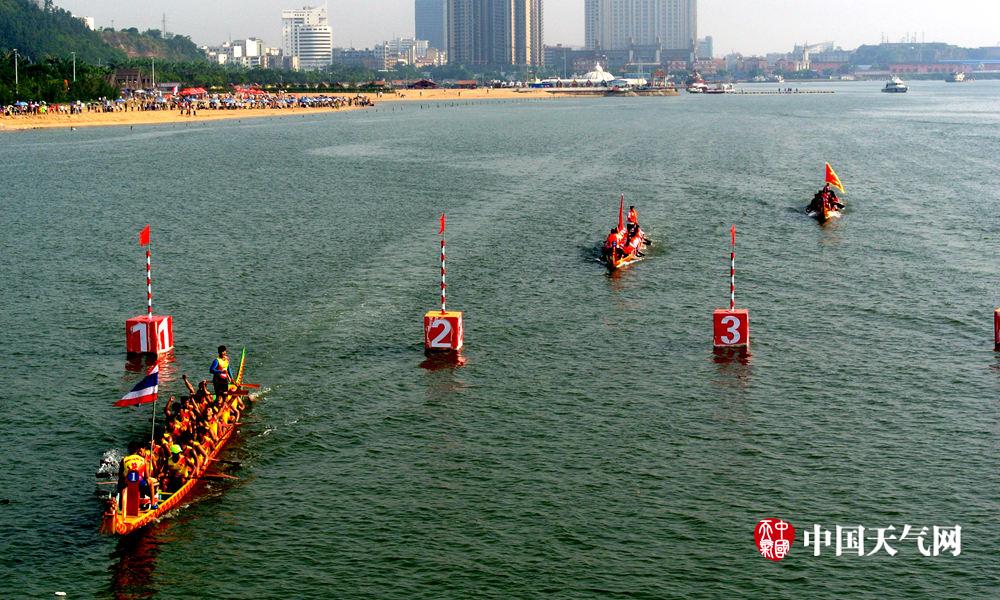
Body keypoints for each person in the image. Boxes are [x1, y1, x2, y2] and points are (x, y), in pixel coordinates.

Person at [119, 441, 158, 510]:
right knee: (150, 482)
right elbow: (147, 477)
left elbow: (120, 475)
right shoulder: (143, 460)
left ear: (129, 450)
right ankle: (152, 505)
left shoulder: (124, 459)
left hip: (128, 483)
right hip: (139, 483)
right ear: (137, 450)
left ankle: (121, 505)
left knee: (121, 481)